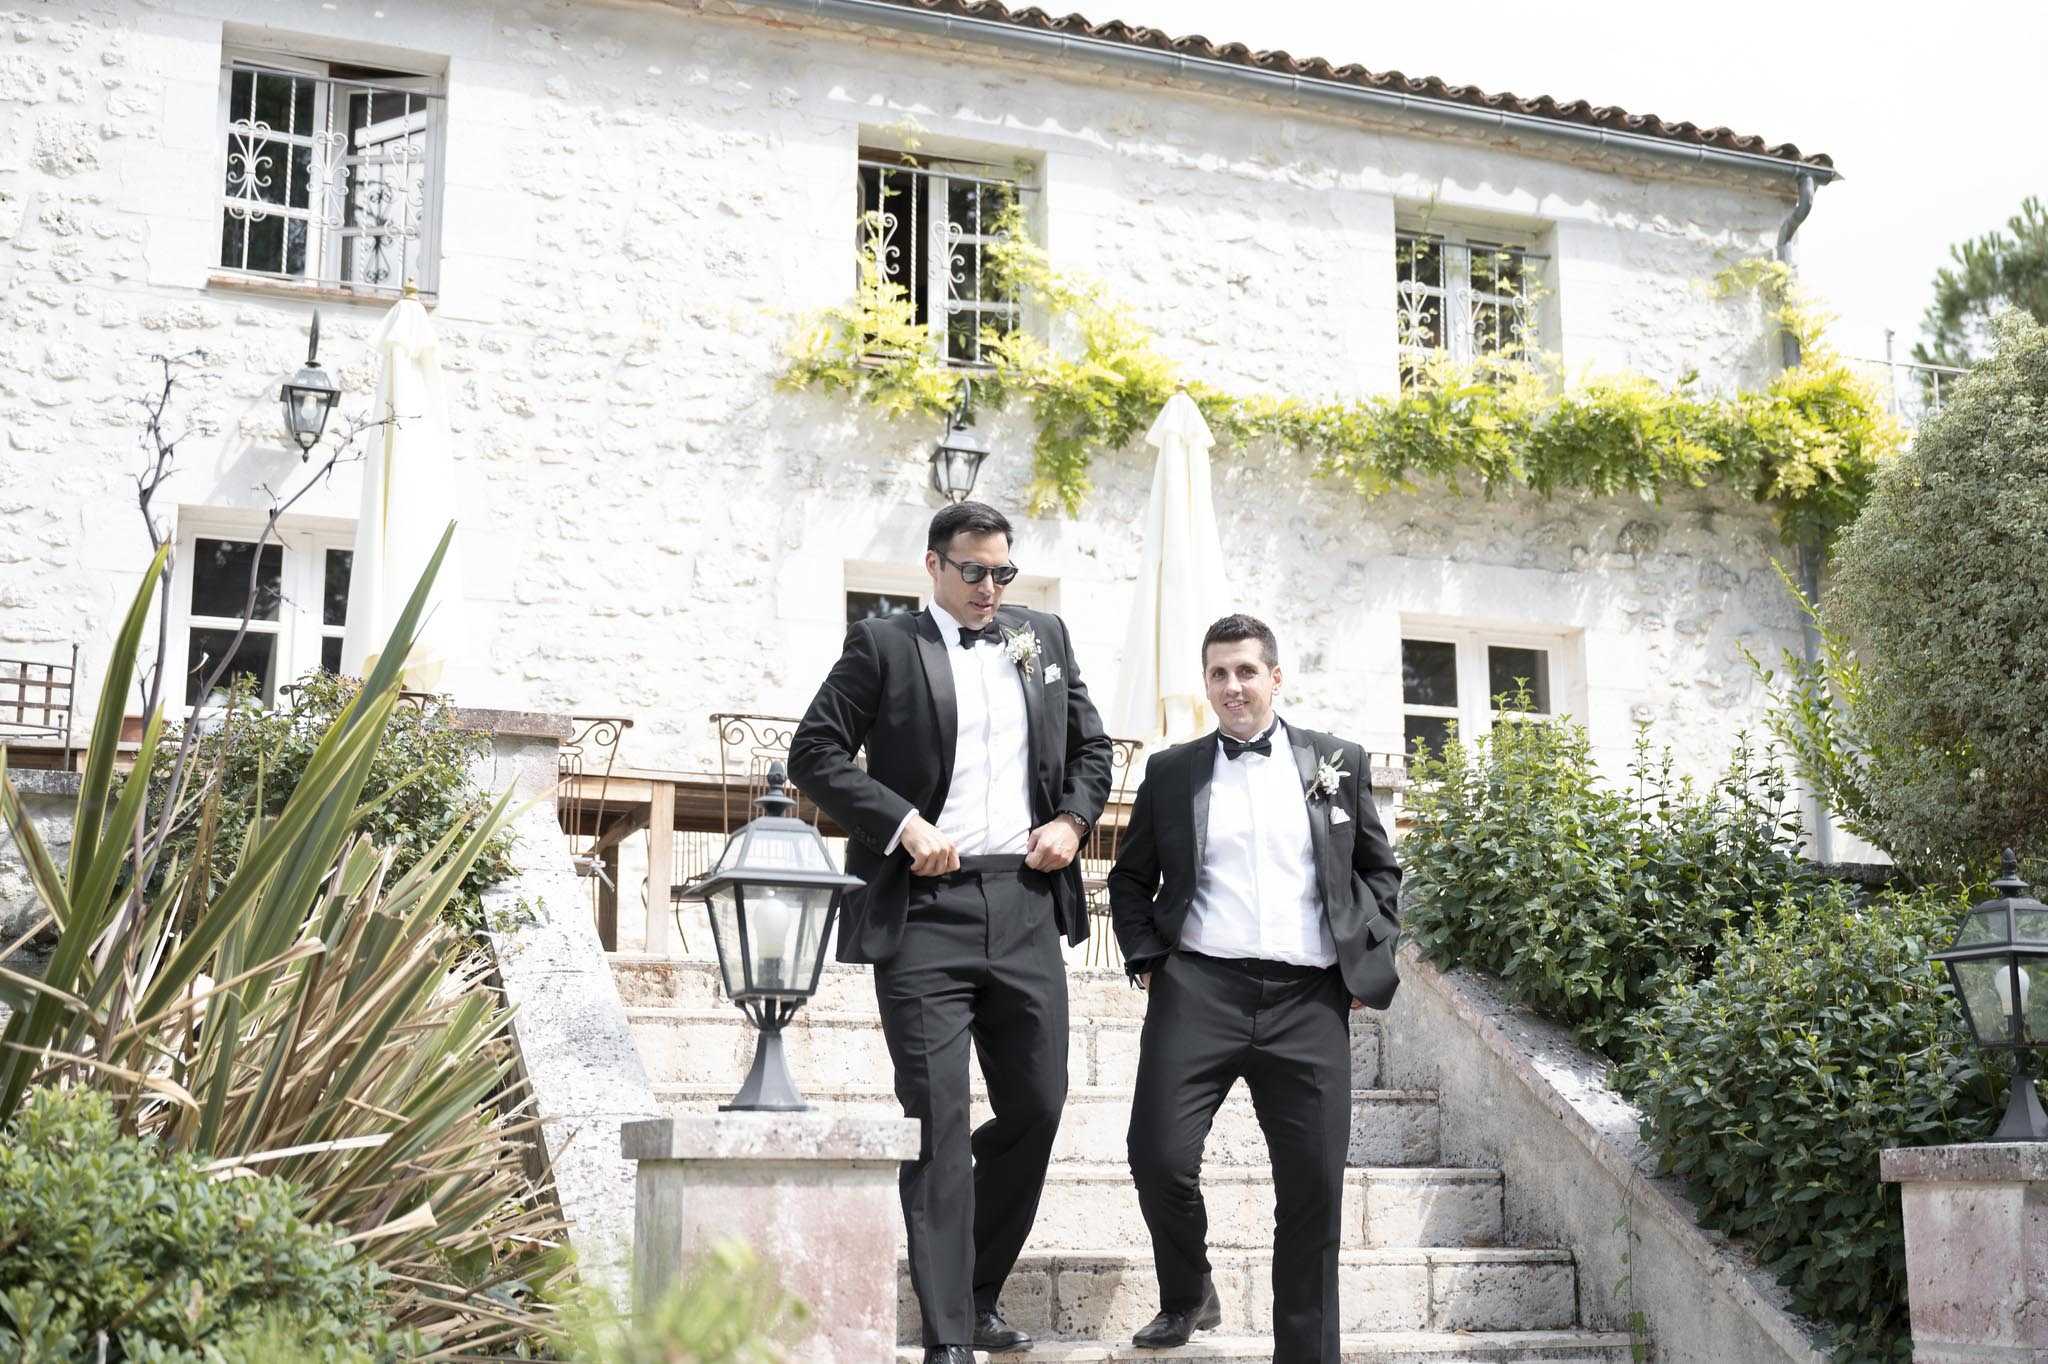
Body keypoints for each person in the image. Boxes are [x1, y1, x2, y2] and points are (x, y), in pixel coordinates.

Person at [788, 501, 1114, 1363]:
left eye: (1003, 573)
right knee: (935, 1119)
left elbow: (1092, 749)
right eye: (974, 572)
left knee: (1039, 1107)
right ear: (932, 567)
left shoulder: (1042, 636)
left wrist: (1075, 823)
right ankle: (948, 1339)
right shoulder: (884, 645)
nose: (989, 589)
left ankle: (974, 1288)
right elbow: (813, 753)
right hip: (925, 909)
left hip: (1027, 902)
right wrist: (901, 823)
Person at [1107, 613, 1402, 1363]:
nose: (1232, 686)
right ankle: (1188, 1289)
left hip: (1309, 1002)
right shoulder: (1172, 773)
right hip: (1199, 989)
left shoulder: (1337, 760)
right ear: (1206, 684)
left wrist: (1364, 958)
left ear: (1275, 676)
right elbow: (1132, 876)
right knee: (1158, 1155)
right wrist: (1147, 957)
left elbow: (1378, 870)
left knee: (1311, 1192)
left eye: (1245, 671)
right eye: (1217, 674)